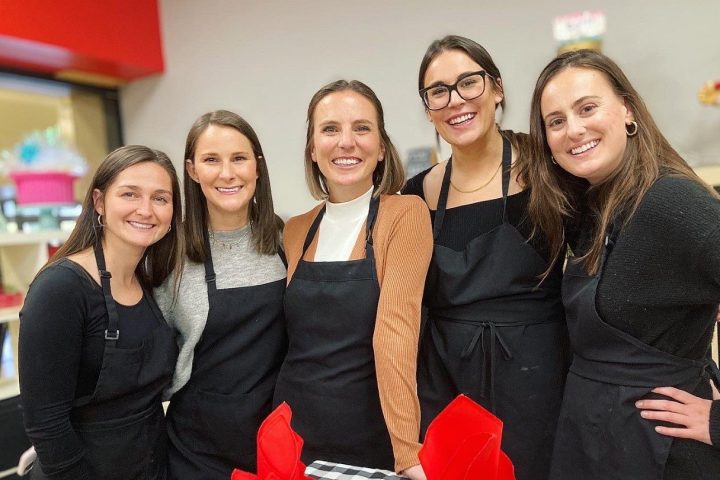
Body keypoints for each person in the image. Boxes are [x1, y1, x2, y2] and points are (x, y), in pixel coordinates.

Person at [525, 49, 720, 479]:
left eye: (587, 108)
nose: (573, 130)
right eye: (556, 121)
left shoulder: (673, 202)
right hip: (594, 441)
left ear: (627, 110)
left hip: (662, 453)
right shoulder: (591, 207)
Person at [401, 35, 569, 480]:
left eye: (468, 83)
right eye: (438, 91)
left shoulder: (548, 168)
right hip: (448, 388)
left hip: (540, 381)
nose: (455, 100)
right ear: (428, 109)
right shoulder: (415, 195)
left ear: (496, 89)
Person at [273, 80, 432, 479]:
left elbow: (395, 332)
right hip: (293, 439)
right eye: (330, 129)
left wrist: (407, 453)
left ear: (381, 147)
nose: (346, 142)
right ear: (312, 149)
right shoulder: (295, 230)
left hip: (371, 441)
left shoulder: (406, 214)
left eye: (362, 128)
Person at [19, 145, 182, 479]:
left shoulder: (149, 282)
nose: (146, 210)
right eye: (130, 194)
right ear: (99, 203)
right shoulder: (61, 288)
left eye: (161, 198)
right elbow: (46, 422)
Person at [155, 110, 286, 478]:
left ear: (257, 167)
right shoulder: (168, 254)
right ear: (193, 170)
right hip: (198, 454)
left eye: (239, 158)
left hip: (276, 446)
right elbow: (135, 358)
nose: (227, 173)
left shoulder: (286, 239)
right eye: (211, 159)